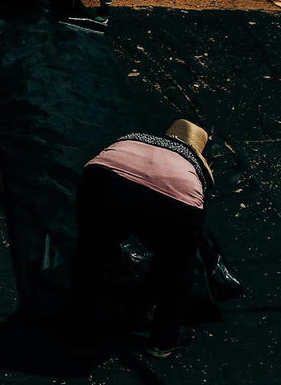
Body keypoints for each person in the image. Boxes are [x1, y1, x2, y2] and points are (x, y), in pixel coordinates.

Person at [69, 120, 213, 358]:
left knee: (93, 252)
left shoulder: (135, 136)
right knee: (178, 265)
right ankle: (163, 341)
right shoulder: (194, 166)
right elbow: (188, 235)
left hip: (103, 176)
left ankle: (80, 329)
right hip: (177, 195)